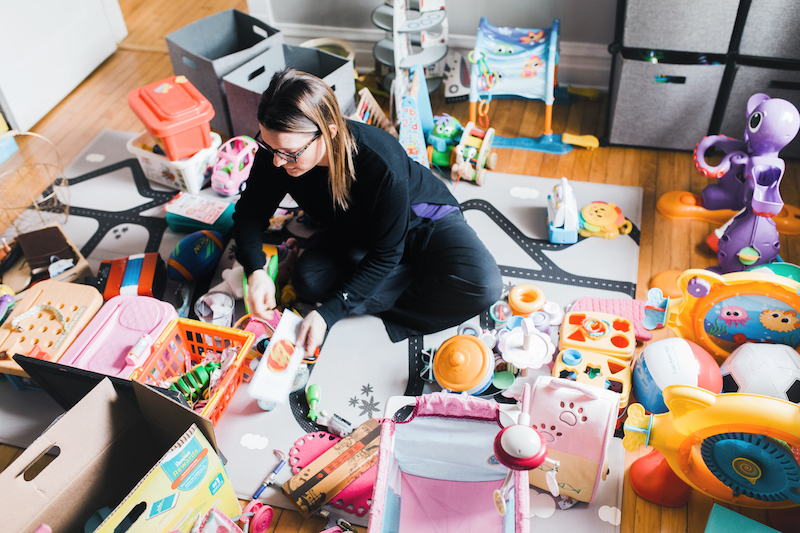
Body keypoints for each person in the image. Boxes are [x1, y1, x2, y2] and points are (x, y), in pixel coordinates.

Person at [233, 68, 502, 356]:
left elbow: (386, 254)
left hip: (421, 220)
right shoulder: (279, 150)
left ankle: (395, 275)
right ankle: (398, 276)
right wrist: (255, 270)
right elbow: (250, 211)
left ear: (329, 132)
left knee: (483, 286)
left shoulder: (381, 161)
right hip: (357, 231)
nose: (276, 161)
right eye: (269, 146)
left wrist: (331, 312)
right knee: (308, 282)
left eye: (289, 153)